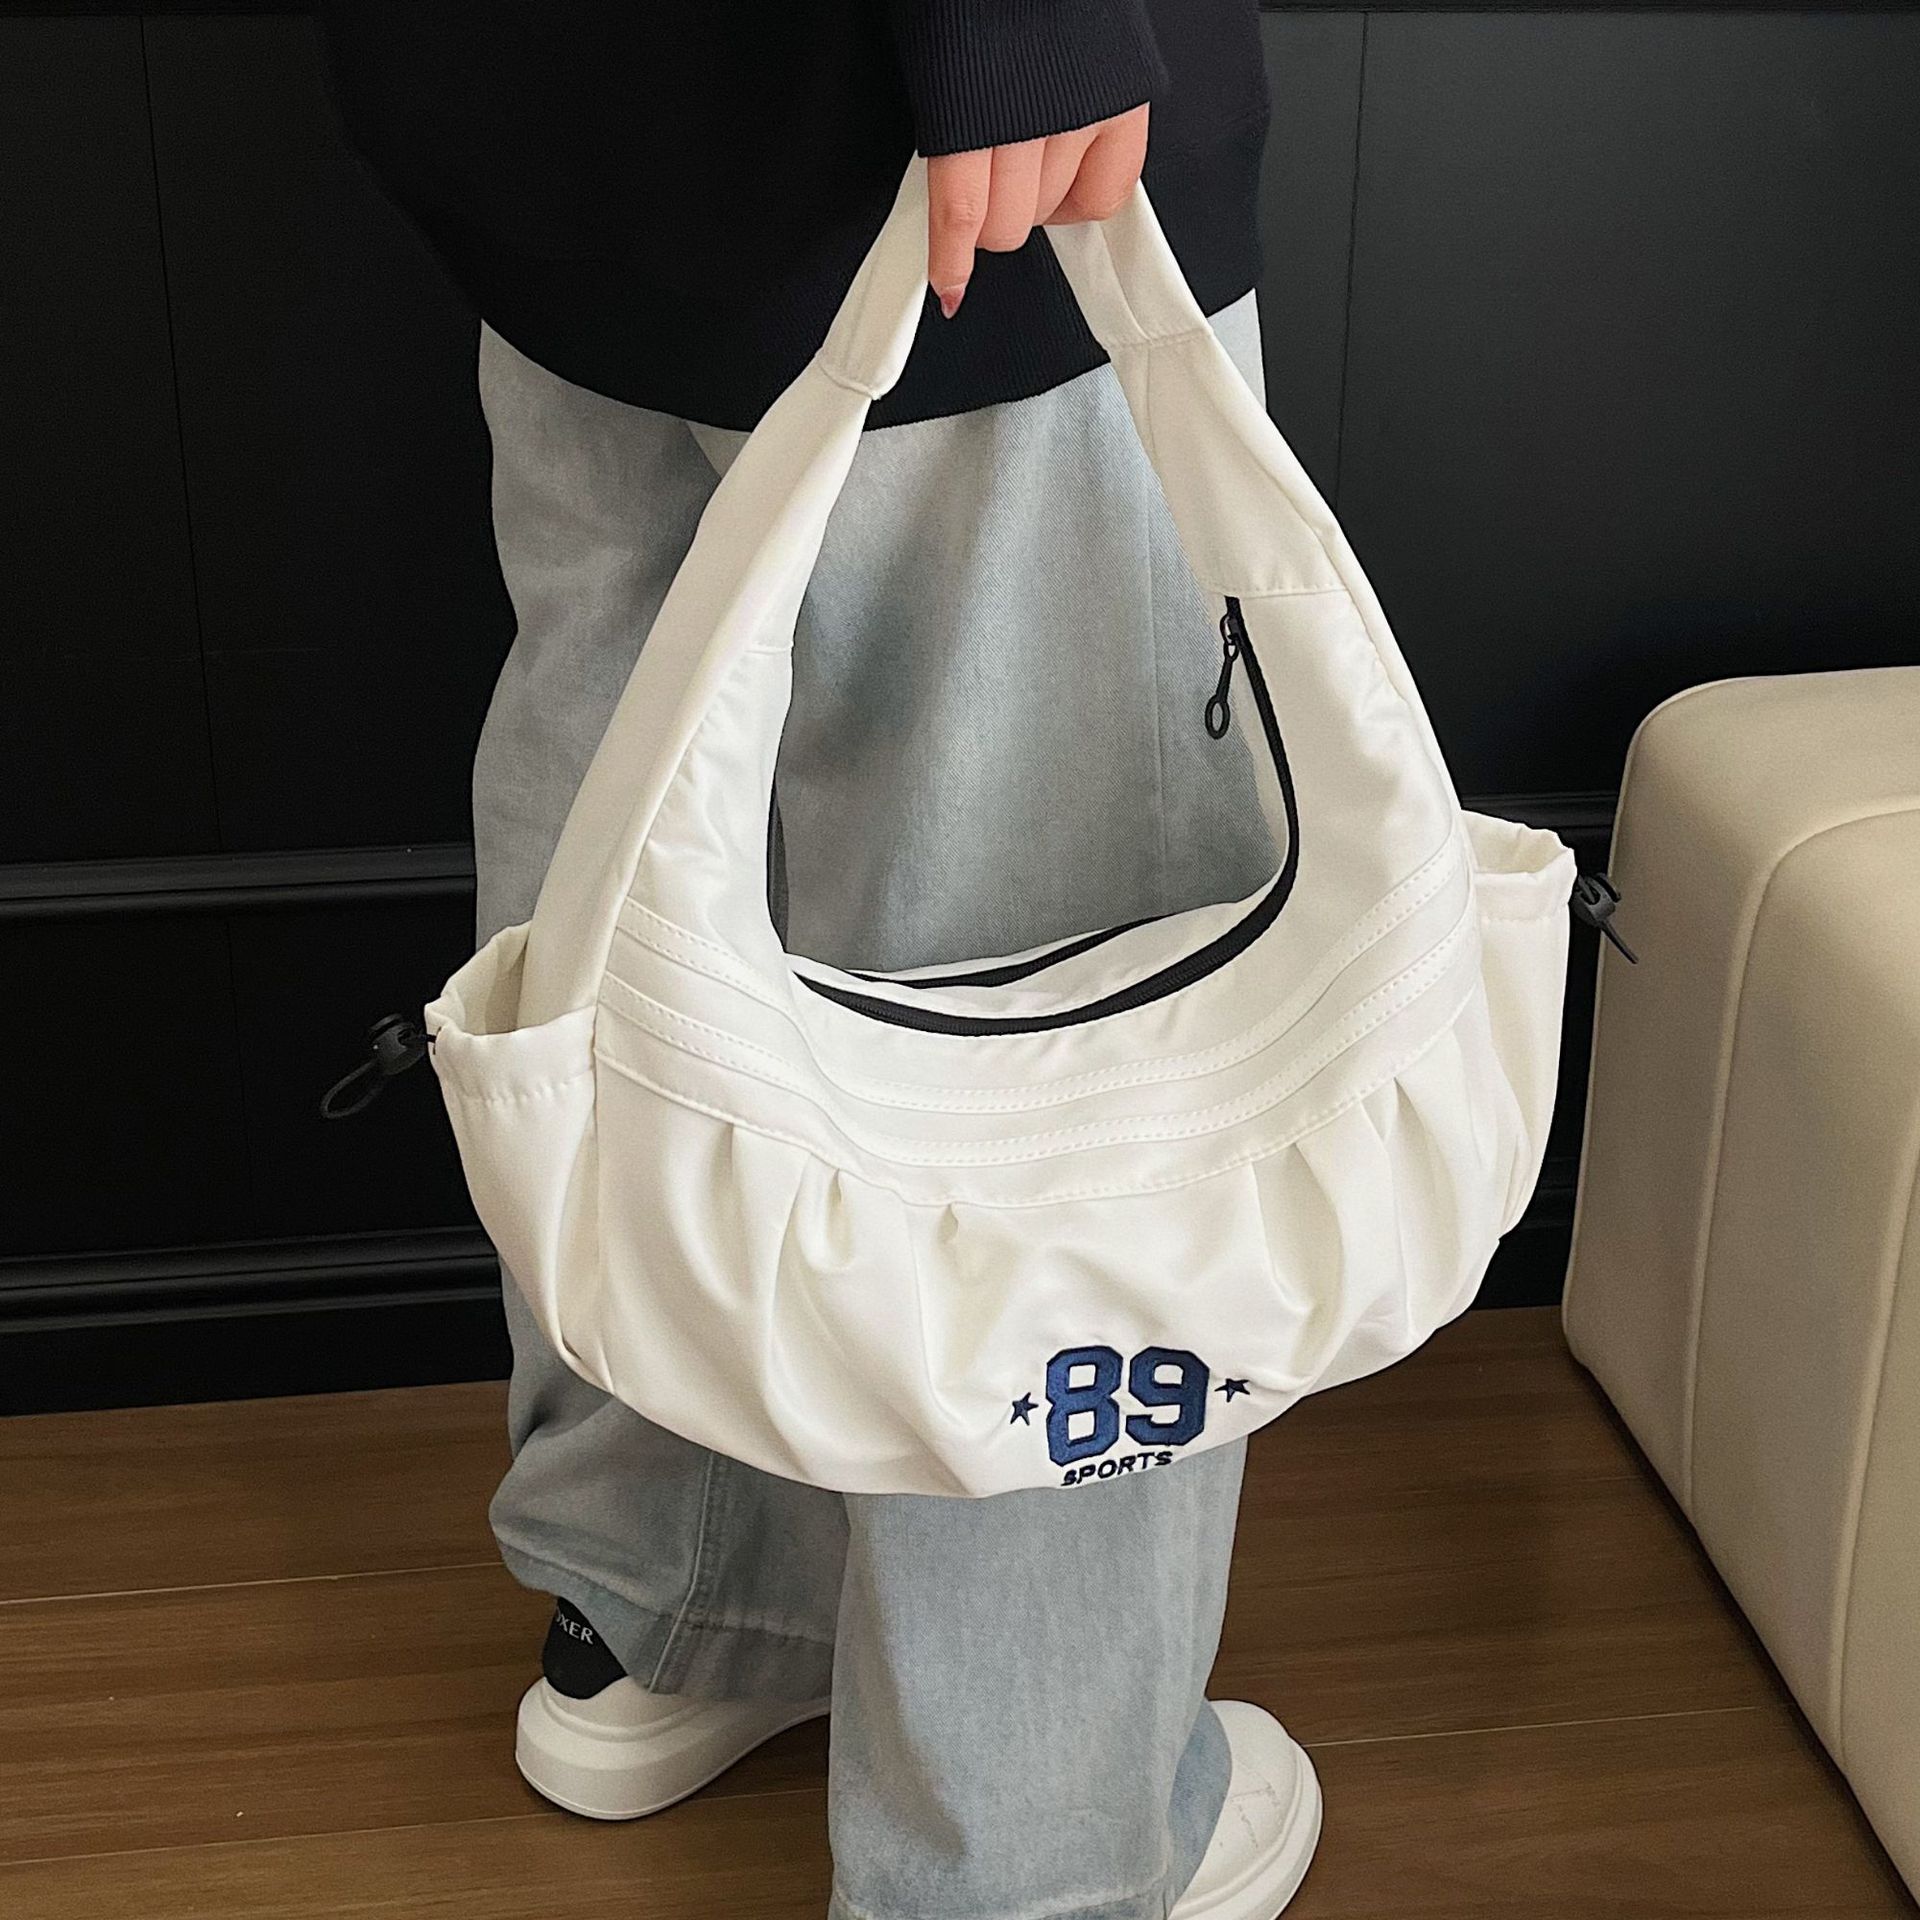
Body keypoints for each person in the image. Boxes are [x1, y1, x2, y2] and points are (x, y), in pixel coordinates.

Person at [318, 6, 1321, 1916]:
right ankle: (1028, 1846)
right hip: (945, 123)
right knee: (1057, 973)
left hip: (549, 110)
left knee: (635, 831)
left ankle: (685, 1600)